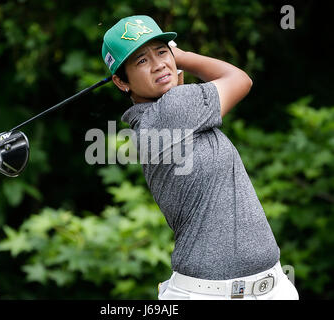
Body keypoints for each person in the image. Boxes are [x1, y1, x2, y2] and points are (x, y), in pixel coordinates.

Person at [101, 15, 299, 300]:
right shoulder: (174, 108)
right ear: (121, 81)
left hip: (272, 286)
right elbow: (240, 80)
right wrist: (182, 56)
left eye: (161, 51)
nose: (158, 64)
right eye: (141, 61)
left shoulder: (156, 118)